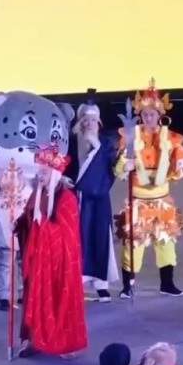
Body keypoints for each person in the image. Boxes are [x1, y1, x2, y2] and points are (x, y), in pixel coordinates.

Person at [114, 78, 183, 298]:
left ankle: (167, 284)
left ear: (159, 115)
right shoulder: (130, 138)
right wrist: (125, 164)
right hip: (138, 200)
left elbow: (179, 168)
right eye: (145, 114)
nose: (149, 118)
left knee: (165, 242)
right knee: (133, 244)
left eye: (152, 114)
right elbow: (118, 169)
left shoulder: (170, 139)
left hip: (161, 200)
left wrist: (176, 165)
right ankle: (128, 286)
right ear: (140, 115)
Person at [13, 144, 87, 359]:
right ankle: (36, 338)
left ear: (54, 173)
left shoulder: (67, 198)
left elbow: (67, 234)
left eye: (44, 173)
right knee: (34, 297)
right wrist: (19, 224)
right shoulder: (39, 193)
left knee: (60, 299)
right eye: (39, 172)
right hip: (39, 259)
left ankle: (65, 343)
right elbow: (29, 217)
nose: (40, 176)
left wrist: (41, 224)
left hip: (60, 262)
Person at [71, 90, 119, 302]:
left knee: (100, 237)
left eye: (93, 119)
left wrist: (123, 166)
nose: (89, 123)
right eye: (85, 119)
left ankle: (101, 283)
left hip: (99, 198)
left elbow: (112, 167)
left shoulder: (105, 143)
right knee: (79, 238)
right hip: (78, 198)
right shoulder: (72, 142)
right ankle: (77, 280)